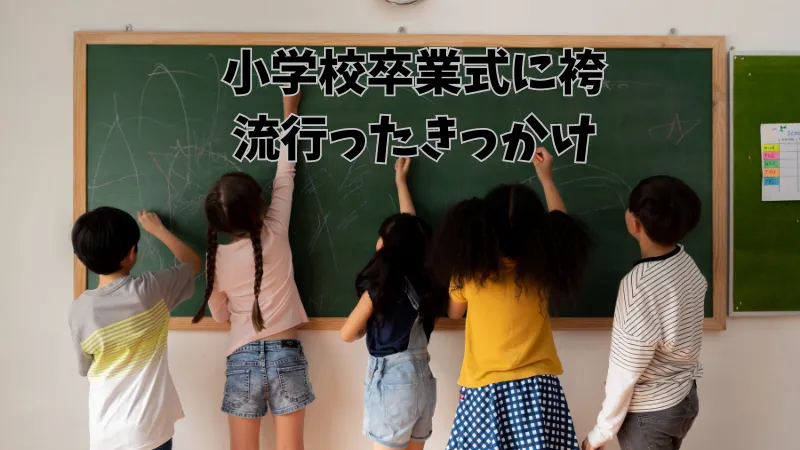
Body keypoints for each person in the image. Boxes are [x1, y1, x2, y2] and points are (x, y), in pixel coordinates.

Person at [429, 147, 594, 450]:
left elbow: (454, 314)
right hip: (538, 388)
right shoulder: (545, 268)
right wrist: (546, 178)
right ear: (538, 229)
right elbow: (561, 225)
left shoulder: (469, 273)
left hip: (485, 388)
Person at [193, 92, 314, 450]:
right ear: (260, 210)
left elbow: (219, 315)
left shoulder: (215, 258)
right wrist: (289, 110)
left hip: (241, 356)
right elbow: (285, 173)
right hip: (286, 352)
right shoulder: (275, 231)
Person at [582, 175, 706, 450]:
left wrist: (600, 433)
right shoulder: (686, 262)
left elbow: (626, 370)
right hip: (683, 397)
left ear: (634, 222)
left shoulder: (638, 284)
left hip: (650, 412)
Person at [70, 207, 202, 450]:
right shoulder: (152, 291)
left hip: (105, 434)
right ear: (132, 253)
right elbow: (192, 262)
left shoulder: (80, 311)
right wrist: (158, 230)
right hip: (150, 430)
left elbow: (84, 367)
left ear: (81, 258)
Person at [340, 158, 446, 450]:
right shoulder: (428, 284)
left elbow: (347, 333)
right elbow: (411, 232)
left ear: (389, 247)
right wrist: (401, 182)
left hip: (393, 385)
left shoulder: (380, 289)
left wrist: (366, 326)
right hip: (423, 383)